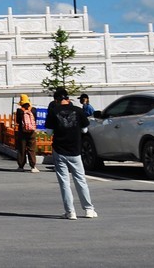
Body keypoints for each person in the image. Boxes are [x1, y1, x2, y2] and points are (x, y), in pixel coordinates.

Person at [46, 88, 96, 219]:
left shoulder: (53, 112)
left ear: (56, 100)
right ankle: (89, 209)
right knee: (80, 180)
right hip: (75, 149)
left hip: (59, 149)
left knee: (64, 182)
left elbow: (49, 132)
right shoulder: (78, 111)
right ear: (67, 98)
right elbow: (85, 130)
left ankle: (70, 212)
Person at [14, 94, 39, 172]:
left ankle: (21, 166)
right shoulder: (34, 110)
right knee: (32, 149)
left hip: (22, 132)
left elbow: (18, 121)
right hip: (32, 132)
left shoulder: (19, 111)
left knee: (22, 149)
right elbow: (35, 119)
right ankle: (33, 167)